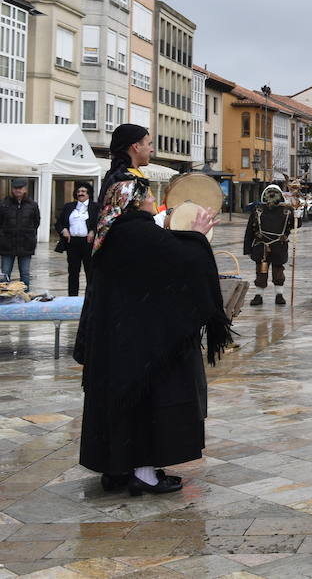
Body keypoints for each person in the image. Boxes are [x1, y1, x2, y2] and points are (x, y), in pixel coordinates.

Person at [75, 175, 230, 496]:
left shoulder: (110, 232)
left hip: (113, 341)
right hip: (141, 344)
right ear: (136, 201)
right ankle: (144, 474)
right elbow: (184, 262)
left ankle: (116, 467)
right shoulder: (139, 232)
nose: (153, 203)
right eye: (148, 198)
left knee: (116, 407)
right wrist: (198, 236)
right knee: (145, 407)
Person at [244, 184, 295, 307]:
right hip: (262, 247)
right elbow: (250, 230)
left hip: (279, 246)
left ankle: (279, 294)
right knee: (261, 271)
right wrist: (247, 249)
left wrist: (297, 215)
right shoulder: (258, 210)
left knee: (278, 271)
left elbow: (295, 225)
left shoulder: (287, 210)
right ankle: (259, 295)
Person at [96, 124, 153, 209]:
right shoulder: (128, 180)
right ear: (136, 147)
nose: (152, 149)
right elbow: (142, 217)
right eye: (149, 144)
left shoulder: (118, 174)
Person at [56, 182, 96, 296]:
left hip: (88, 243)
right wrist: (63, 230)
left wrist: (93, 231)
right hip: (72, 242)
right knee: (73, 272)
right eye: (78, 192)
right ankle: (72, 296)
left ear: (88, 194)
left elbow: (101, 222)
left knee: (90, 271)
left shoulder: (95, 207)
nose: (80, 193)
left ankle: (91, 296)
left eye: (83, 191)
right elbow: (59, 223)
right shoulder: (69, 206)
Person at [0, 179, 41, 291]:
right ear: (12, 189)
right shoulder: (4, 204)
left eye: (20, 188)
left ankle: (25, 299)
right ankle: (4, 298)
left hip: (26, 243)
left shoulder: (32, 205)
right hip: (7, 244)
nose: (18, 190)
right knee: (5, 274)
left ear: (25, 189)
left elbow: (36, 222)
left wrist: (29, 234)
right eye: (15, 188)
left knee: (25, 274)